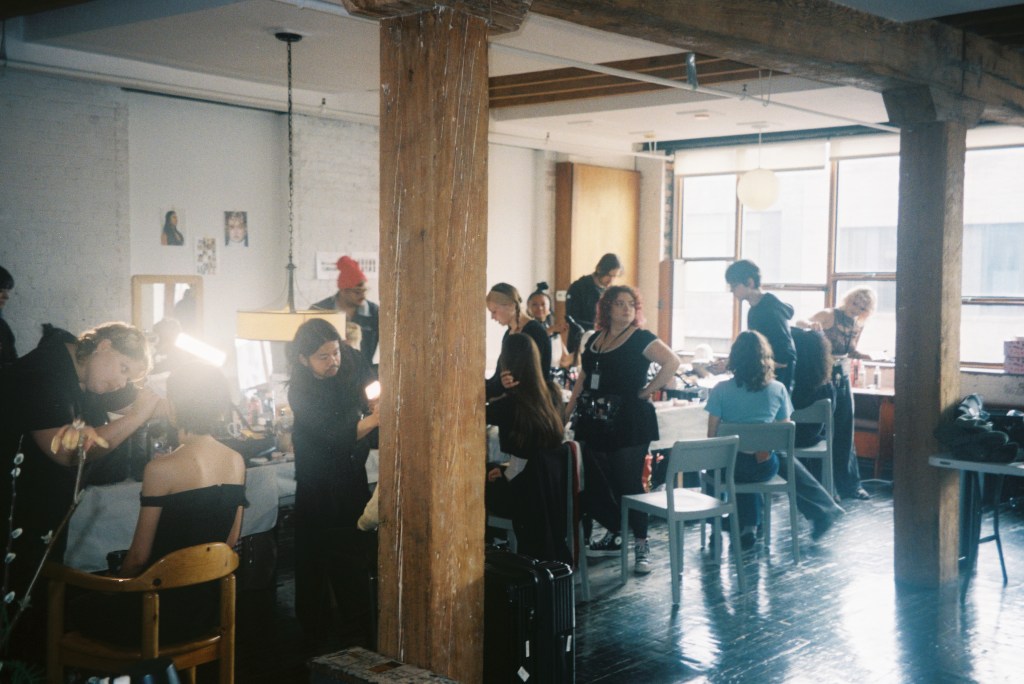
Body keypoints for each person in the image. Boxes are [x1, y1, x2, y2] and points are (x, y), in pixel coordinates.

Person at [0, 322, 163, 661]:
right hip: (13, 515)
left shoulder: (83, 374)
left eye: (129, 377)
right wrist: (136, 418)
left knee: (34, 617)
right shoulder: (46, 371)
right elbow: (66, 451)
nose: (121, 382)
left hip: (39, 515)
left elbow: (138, 409)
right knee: (13, 622)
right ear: (104, 346)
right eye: (123, 368)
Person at [67, 363, 246, 646]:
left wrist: (113, 587)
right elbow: (230, 540)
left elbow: (138, 558)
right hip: (206, 610)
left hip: (156, 613)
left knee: (73, 605)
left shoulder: (161, 469)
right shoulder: (236, 460)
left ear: (172, 407)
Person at [567, 285, 680, 574]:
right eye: (619, 303)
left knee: (628, 484)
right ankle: (616, 529)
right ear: (607, 307)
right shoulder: (595, 339)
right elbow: (583, 377)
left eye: (631, 304)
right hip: (594, 419)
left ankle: (641, 545)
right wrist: (566, 412)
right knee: (595, 481)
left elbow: (672, 362)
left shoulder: (641, 338)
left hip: (630, 420)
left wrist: (647, 391)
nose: (626, 309)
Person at [705, 331, 843, 551]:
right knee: (774, 453)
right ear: (766, 359)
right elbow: (784, 435)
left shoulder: (720, 390)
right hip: (763, 467)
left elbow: (711, 438)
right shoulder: (777, 389)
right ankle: (821, 508)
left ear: (734, 358)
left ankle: (719, 524)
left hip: (730, 468)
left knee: (720, 463)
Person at [287, 318, 379, 648]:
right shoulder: (299, 391)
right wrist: (376, 419)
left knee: (353, 553)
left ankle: (361, 629)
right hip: (316, 481)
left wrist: (373, 401)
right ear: (303, 359)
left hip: (351, 475)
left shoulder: (350, 358)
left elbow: (372, 383)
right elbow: (334, 435)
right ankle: (314, 634)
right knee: (313, 559)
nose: (333, 361)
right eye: (323, 357)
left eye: (335, 352)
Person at [485, 333, 567, 562]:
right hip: (554, 490)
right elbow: (531, 455)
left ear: (506, 363)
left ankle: (491, 551)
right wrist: (505, 471)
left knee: (478, 482)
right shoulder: (553, 393)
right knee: (493, 470)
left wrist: (499, 388)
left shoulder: (509, 404)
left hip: (526, 495)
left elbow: (471, 409)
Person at [797, 287, 877, 501]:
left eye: (861, 308)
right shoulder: (829, 314)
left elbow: (849, 350)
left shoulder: (857, 324)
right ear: (847, 300)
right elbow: (800, 322)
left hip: (843, 374)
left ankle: (850, 486)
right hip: (822, 374)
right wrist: (811, 325)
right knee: (821, 429)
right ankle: (823, 486)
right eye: (854, 303)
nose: (855, 309)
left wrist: (864, 354)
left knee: (844, 429)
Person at [724, 259, 797, 392]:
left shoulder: (770, 311)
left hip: (775, 385)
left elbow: (785, 359)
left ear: (750, 282)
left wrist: (734, 365)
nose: (732, 291)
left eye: (734, 285)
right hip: (765, 380)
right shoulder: (755, 310)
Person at [311, 256, 380, 367]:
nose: (363, 296)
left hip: (363, 371)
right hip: (328, 370)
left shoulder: (374, 312)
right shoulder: (319, 310)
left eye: (365, 291)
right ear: (343, 291)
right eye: (357, 292)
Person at [486, 283, 551, 398]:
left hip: (531, 400)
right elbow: (499, 377)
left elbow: (535, 376)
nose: (492, 317)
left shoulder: (535, 331)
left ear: (511, 306)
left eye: (494, 311)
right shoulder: (508, 334)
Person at [565, 253, 623, 336]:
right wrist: (597, 327)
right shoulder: (579, 287)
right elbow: (571, 319)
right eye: (609, 275)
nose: (611, 280)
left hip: (604, 337)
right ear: (599, 270)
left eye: (614, 276)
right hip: (581, 337)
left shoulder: (610, 291)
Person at [527, 282, 574, 375]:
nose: (539, 308)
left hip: (555, 373)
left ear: (549, 309)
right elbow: (533, 343)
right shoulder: (527, 327)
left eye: (543, 304)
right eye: (534, 305)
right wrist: (551, 330)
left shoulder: (551, 328)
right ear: (528, 308)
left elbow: (565, 359)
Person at [0, 266, 16, 365]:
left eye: (7, 291)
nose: (6, 297)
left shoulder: (3, 327)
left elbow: (14, 364)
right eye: (0, 291)